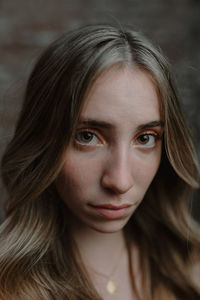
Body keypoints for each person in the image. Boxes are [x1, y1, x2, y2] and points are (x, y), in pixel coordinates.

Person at [0, 24, 200, 300]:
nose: (120, 181)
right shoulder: (7, 286)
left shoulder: (189, 268)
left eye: (145, 138)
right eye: (87, 136)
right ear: (43, 141)